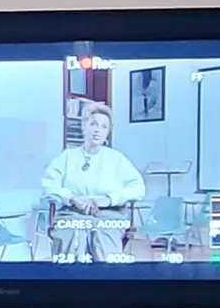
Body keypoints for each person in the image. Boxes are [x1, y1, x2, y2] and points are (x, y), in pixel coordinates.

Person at [38, 97, 146, 263]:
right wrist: (72, 198)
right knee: (72, 237)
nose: (97, 130)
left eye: (104, 127)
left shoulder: (117, 159)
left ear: (108, 133)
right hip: (72, 213)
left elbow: (138, 188)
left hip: (109, 215)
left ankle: (105, 284)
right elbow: (49, 184)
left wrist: (108, 200)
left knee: (104, 240)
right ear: (84, 127)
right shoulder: (68, 157)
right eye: (93, 124)